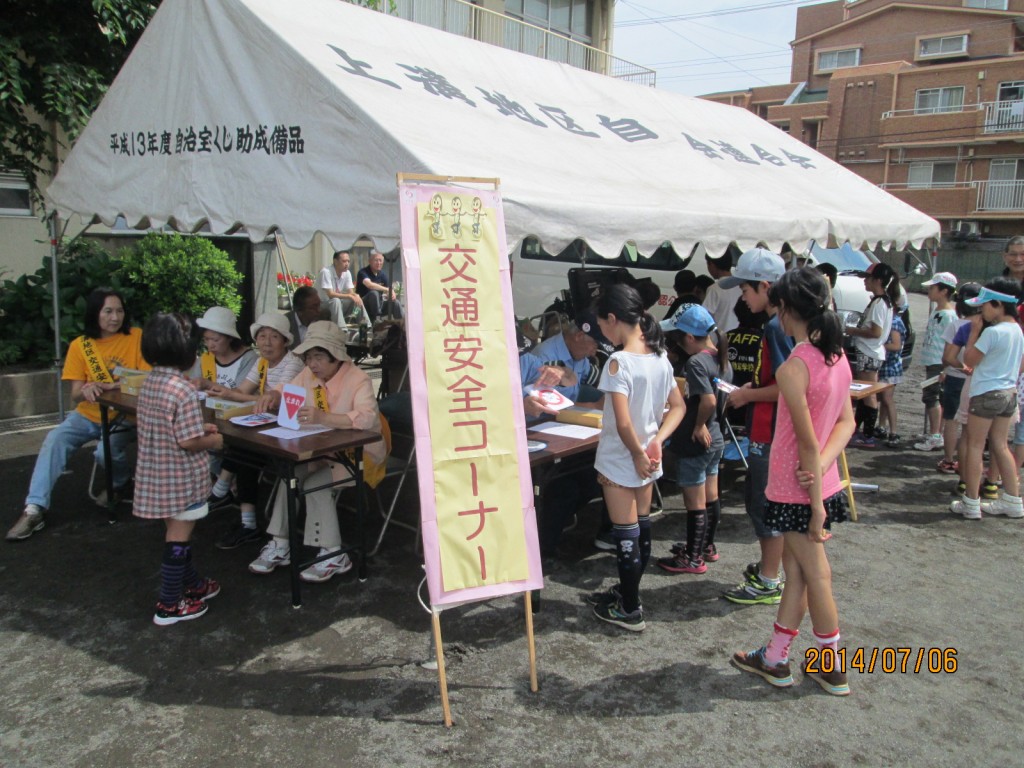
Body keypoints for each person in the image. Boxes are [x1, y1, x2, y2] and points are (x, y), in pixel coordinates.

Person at [731, 267, 855, 696]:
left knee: (815, 573)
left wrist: (815, 494)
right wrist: (823, 468)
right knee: (798, 573)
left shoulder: (795, 367)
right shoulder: (837, 358)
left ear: (785, 310)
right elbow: (847, 424)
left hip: (796, 490)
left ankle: (831, 665)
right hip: (819, 482)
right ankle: (776, 657)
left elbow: (804, 440)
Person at [7, 288, 149, 542]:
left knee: (104, 452)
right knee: (55, 439)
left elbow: (146, 379)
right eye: (108, 311)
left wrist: (112, 386)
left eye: (119, 310)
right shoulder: (80, 345)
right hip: (87, 414)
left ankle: (120, 482)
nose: (115, 317)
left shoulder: (137, 337)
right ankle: (34, 508)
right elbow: (74, 394)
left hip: (125, 417)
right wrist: (87, 389)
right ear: (95, 314)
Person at [249, 322, 386, 582]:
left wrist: (325, 417)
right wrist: (274, 396)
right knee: (291, 473)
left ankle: (334, 553)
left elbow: (368, 418)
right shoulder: (309, 376)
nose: (312, 364)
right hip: (322, 450)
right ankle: (280, 543)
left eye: (319, 357)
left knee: (317, 481)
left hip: (359, 454)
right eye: (309, 357)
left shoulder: (359, 379)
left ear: (336, 358)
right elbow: (288, 387)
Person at [587, 284, 684, 632]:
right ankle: (629, 595)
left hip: (621, 458)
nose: (603, 333)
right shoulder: (659, 357)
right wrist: (656, 442)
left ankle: (629, 607)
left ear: (613, 319)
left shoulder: (618, 362)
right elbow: (679, 406)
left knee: (625, 536)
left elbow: (622, 420)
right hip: (647, 458)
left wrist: (638, 452)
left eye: (602, 326)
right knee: (641, 530)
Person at [134, 313, 224, 626]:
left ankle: (193, 584)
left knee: (175, 533)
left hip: (155, 476)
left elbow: (170, 427)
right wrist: (213, 440)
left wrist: (200, 428)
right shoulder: (183, 389)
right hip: (181, 478)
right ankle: (169, 603)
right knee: (179, 537)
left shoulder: (150, 383)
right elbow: (188, 442)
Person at [720, 248, 791, 606]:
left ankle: (768, 579)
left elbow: (788, 388)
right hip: (771, 428)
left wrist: (748, 398)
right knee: (763, 503)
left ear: (765, 286)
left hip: (772, 430)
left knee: (765, 506)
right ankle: (770, 569)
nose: (742, 298)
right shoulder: (781, 323)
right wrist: (752, 389)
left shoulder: (778, 327)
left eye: (745, 290)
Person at [205, 313, 304, 549]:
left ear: (286, 341)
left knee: (246, 449)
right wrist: (228, 393)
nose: (267, 343)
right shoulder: (261, 362)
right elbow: (244, 391)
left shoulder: (294, 363)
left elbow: (275, 398)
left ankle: (223, 491)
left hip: (290, 428)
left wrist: (233, 395)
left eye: (274, 337)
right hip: (268, 424)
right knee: (244, 447)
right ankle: (244, 520)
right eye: (262, 337)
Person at [656, 305, 724, 575]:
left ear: (689, 338)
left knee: (694, 502)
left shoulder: (696, 362)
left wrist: (698, 426)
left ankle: (693, 558)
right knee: (711, 496)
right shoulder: (718, 357)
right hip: (717, 439)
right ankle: (706, 546)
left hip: (697, 441)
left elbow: (707, 400)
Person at [950, 279, 1024, 520]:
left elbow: (969, 359)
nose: (981, 311)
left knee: (974, 444)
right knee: (1001, 445)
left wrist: (973, 333)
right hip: (1008, 393)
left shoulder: (992, 332)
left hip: (986, 393)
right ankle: (1013, 499)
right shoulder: (1017, 330)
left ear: (998, 305)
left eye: (984, 306)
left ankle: (971, 502)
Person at [845, 262, 898, 449]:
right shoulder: (885, 302)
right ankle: (859, 430)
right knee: (864, 393)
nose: (865, 282)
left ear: (877, 280)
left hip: (869, 351)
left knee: (868, 394)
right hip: (872, 352)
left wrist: (852, 330)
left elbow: (875, 332)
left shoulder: (879, 303)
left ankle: (867, 435)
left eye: (867, 278)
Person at [935, 283, 979, 475]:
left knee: (951, 419)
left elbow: (947, 357)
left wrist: (961, 368)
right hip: (976, 379)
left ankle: (949, 459)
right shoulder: (984, 326)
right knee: (970, 423)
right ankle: (967, 461)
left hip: (956, 376)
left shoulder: (957, 325)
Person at [913, 273, 958, 452]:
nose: (929, 291)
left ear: (944, 291)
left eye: (932, 288)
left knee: (933, 397)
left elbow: (952, 342)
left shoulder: (949, 315)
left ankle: (936, 435)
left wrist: (945, 367)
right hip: (933, 361)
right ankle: (935, 432)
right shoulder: (938, 311)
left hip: (939, 362)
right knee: (932, 397)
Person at [529, 318, 602, 404]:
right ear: (579, 336)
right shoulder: (544, 357)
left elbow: (593, 376)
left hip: (567, 412)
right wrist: (595, 407)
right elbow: (543, 405)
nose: (595, 352)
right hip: (546, 415)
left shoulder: (578, 354)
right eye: (595, 344)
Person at [190, 306, 258, 391]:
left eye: (215, 340)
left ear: (230, 338)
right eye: (206, 339)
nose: (210, 345)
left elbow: (241, 393)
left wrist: (208, 385)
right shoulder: (205, 359)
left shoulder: (249, 358)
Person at [876, 312, 906, 447]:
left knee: (887, 399)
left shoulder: (895, 322)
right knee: (883, 399)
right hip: (886, 365)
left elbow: (896, 345)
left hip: (891, 366)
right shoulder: (891, 320)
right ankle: (881, 426)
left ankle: (894, 432)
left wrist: (878, 345)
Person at [317, 250, 366, 327]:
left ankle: (366, 326)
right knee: (336, 300)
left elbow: (351, 292)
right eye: (344, 261)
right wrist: (349, 296)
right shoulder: (326, 272)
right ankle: (342, 329)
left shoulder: (347, 273)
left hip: (337, 304)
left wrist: (356, 296)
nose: (347, 264)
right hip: (322, 305)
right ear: (335, 261)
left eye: (348, 261)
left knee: (357, 299)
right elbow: (330, 294)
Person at [357, 251, 403, 322]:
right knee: (374, 293)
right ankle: (377, 320)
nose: (378, 263)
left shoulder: (382, 275)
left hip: (379, 305)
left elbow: (389, 289)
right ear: (370, 261)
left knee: (396, 303)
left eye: (380, 260)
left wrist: (391, 294)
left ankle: (402, 325)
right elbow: (369, 285)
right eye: (376, 260)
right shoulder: (363, 272)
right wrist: (387, 289)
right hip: (363, 306)